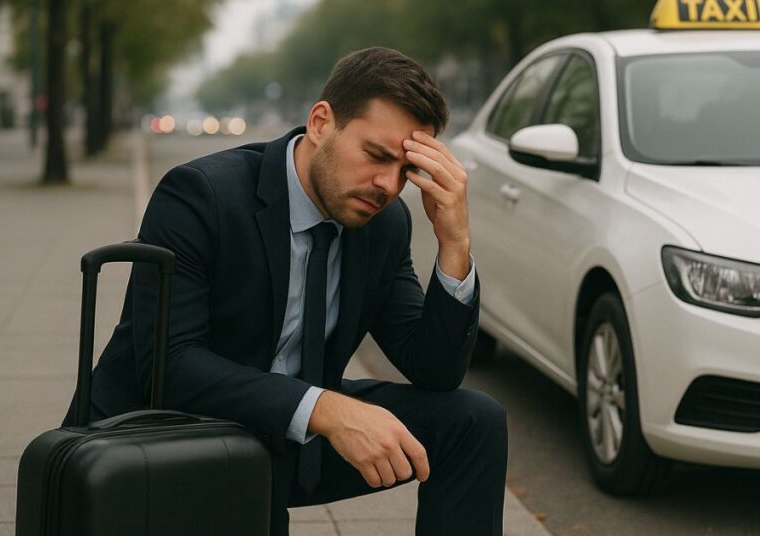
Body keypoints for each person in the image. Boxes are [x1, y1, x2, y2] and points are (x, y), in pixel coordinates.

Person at [65, 47, 507, 535]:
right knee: (258, 497)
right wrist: (326, 410)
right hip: (169, 438)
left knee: (473, 421)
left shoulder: (383, 224)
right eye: (377, 156)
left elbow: (435, 370)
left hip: (289, 439)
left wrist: (454, 244)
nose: (386, 185)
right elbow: (169, 365)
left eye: (405, 171)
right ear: (320, 123)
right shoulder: (201, 195)